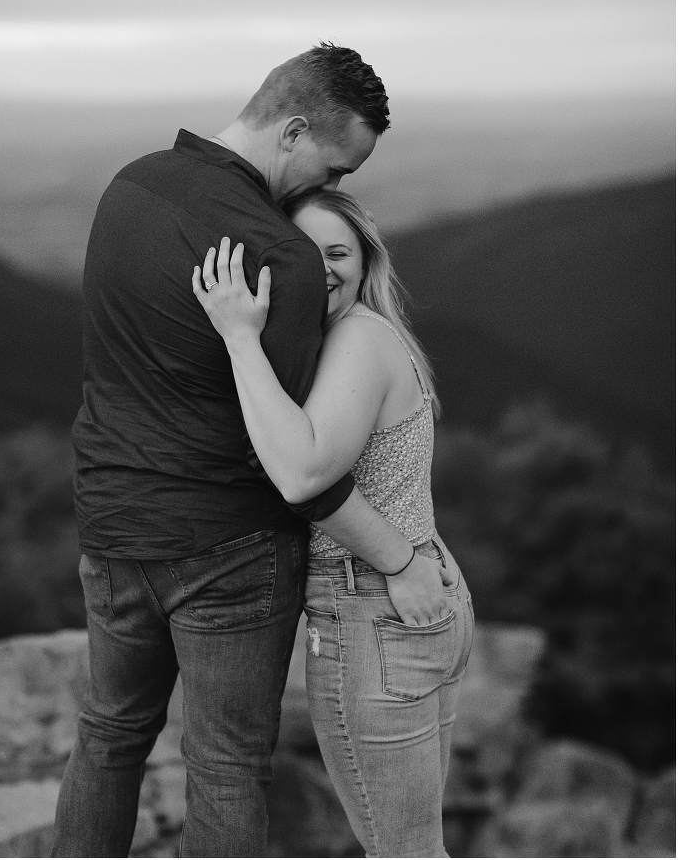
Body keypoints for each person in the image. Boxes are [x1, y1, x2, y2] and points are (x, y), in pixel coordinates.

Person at [51, 43, 454, 858]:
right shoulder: (282, 258)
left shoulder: (130, 184)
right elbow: (300, 460)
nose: (333, 190)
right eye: (333, 168)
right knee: (228, 766)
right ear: (296, 128)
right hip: (231, 551)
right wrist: (401, 557)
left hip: (113, 524)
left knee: (106, 735)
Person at [193, 188, 474, 859]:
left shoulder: (357, 339)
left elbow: (303, 474)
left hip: (377, 601)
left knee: (403, 853)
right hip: (414, 596)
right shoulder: (358, 336)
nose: (323, 266)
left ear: (365, 258)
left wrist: (238, 337)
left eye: (338, 251)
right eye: (303, 252)